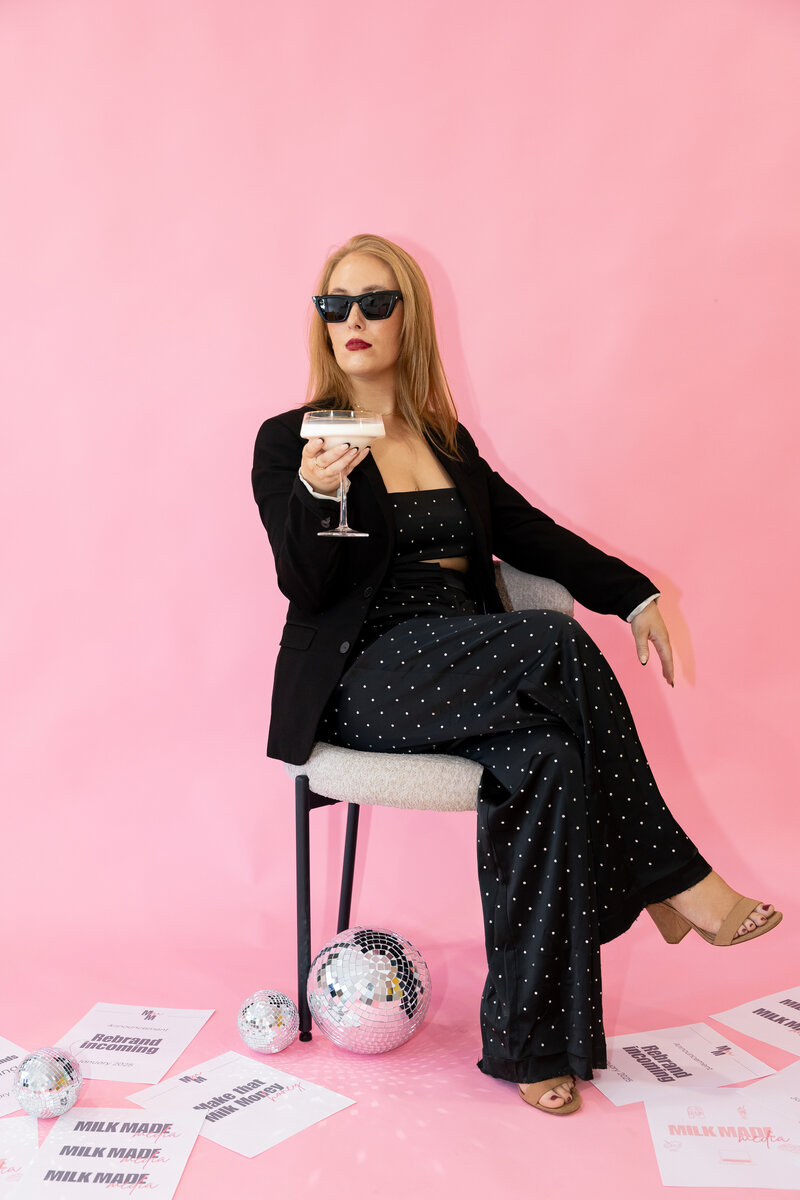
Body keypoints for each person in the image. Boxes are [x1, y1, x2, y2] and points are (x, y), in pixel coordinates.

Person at [251, 233, 781, 1116]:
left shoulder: (443, 439)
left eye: (376, 302)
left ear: (407, 316)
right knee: (551, 641)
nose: (353, 320)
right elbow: (301, 583)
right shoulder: (291, 440)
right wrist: (314, 493)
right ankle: (673, 878)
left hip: (473, 666)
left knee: (549, 763)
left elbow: (529, 533)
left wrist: (636, 593)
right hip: (368, 676)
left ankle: (536, 1043)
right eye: (335, 304)